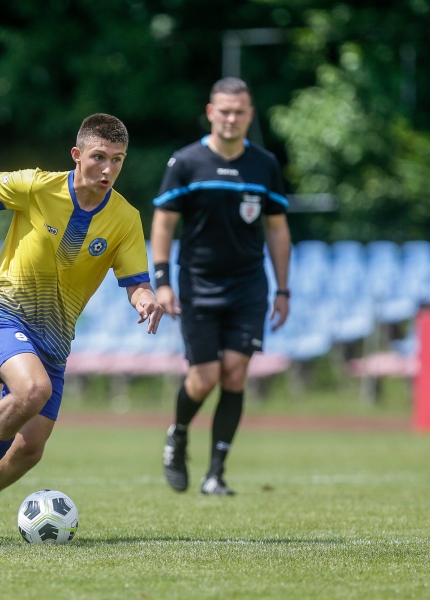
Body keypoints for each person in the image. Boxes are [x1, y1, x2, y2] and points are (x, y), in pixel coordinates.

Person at [0, 114, 164, 541]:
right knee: (33, 391)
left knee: (30, 449)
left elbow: (136, 283)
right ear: (77, 155)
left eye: (118, 160)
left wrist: (145, 299)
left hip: (55, 342)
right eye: (98, 157)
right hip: (4, 313)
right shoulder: (39, 186)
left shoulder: (125, 217)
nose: (107, 169)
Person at [151, 77, 291, 496]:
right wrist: (162, 281)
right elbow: (163, 222)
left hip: (249, 285)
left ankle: (215, 474)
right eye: (224, 111)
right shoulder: (186, 162)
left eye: (239, 111)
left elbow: (278, 229)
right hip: (198, 283)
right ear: (211, 113)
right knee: (204, 377)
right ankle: (177, 435)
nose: (231, 118)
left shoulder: (264, 164)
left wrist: (283, 289)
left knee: (235, 374)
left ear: (250, 115)